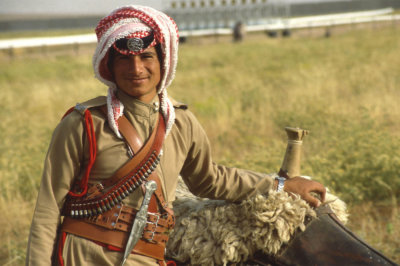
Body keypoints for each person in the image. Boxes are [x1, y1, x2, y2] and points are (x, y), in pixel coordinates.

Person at [26, 5, 326, 266]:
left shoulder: (182, 123)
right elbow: (48, 205)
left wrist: (281, 186)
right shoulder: (84, 123)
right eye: (124, 60)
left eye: (146, 57)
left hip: (147, 255)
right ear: (110, 65)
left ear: (163, 62)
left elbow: (211, 180)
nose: (136, 68)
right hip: (85, 255)